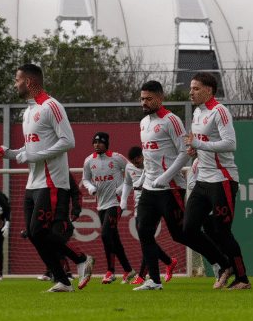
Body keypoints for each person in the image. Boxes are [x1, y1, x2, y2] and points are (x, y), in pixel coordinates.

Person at [0, 63, 94, 293]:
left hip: (52, 181)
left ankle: (82, 259)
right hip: (33, 181)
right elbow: (32, 149)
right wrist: (11, 153)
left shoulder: (52, 106)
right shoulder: (28, 112)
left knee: (39, 231)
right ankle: (63, 281)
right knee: (33, 234)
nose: (15, 84)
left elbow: (68, 141)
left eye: (17, 79)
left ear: (29, 82)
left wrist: (33, 154)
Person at [134, 80, 231, 291]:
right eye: (142, 98)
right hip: (150, 188)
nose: (145, 102)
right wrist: (143, 178)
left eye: (149, 99)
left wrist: (166, 176)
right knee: (143, 230)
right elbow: (150, 157)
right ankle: (154, 280)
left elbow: (183, 153)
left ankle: (221, 262)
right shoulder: (143, 123)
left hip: (170, 188)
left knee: (182, 234)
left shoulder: (171, 120)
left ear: (161, 98)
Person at [185, 72, 251, 290]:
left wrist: (199, 144)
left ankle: (242, 279)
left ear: (209, 91)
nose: (191, 92)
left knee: (222, 232)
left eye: (195, 88)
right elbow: (202, 142)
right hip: (203, 180)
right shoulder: (197, 112)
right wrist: (195, 149)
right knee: (188, 230)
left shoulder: (219, 111)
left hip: (223, 178)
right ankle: (224, 266)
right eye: (191, 88)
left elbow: (230, 143)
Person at [82, 133, 134, 284]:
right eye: (95, 142)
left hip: (116, 203)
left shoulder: (117, 158)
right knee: (114, 239)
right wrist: (90, 187)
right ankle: (129, 270)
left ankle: (110, 271)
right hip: (101, 204)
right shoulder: (89, 160)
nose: (97, 144)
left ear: (106, 144)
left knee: (105, 235)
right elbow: (85, 178)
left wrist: (123, 187)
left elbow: (132, 172)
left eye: (100, 142)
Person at [124, 145, 173, 286]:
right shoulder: (129, 168)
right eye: (133, 162)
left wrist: (141, 181)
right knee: (145, 239)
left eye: (137, 160)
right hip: (138, 206)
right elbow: (127, 183)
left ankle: (142, 275)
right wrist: (123, 200)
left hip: (154, 204)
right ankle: (169, 262)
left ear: (143, 155)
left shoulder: (152, 163)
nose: (136, 164)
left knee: (147, 236)